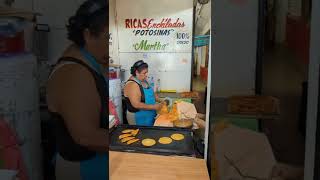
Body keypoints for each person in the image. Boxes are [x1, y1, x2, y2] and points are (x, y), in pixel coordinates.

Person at [46, 0, 108, 179]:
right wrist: (136, 141)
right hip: (82, 171)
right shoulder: (74, 73)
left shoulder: (90, 62)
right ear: (88, 35)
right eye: (108, 38)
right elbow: (87, 137)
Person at [124, 60, 163, 126]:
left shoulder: (144, 80)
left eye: (147, 72)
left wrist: (162, 100)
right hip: (138, 118)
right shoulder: (132, 84)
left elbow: (152, 94)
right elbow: (136, 104)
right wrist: (155, 107)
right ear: (136, 72)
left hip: (149, 115)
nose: (146, 75)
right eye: (144, 73)